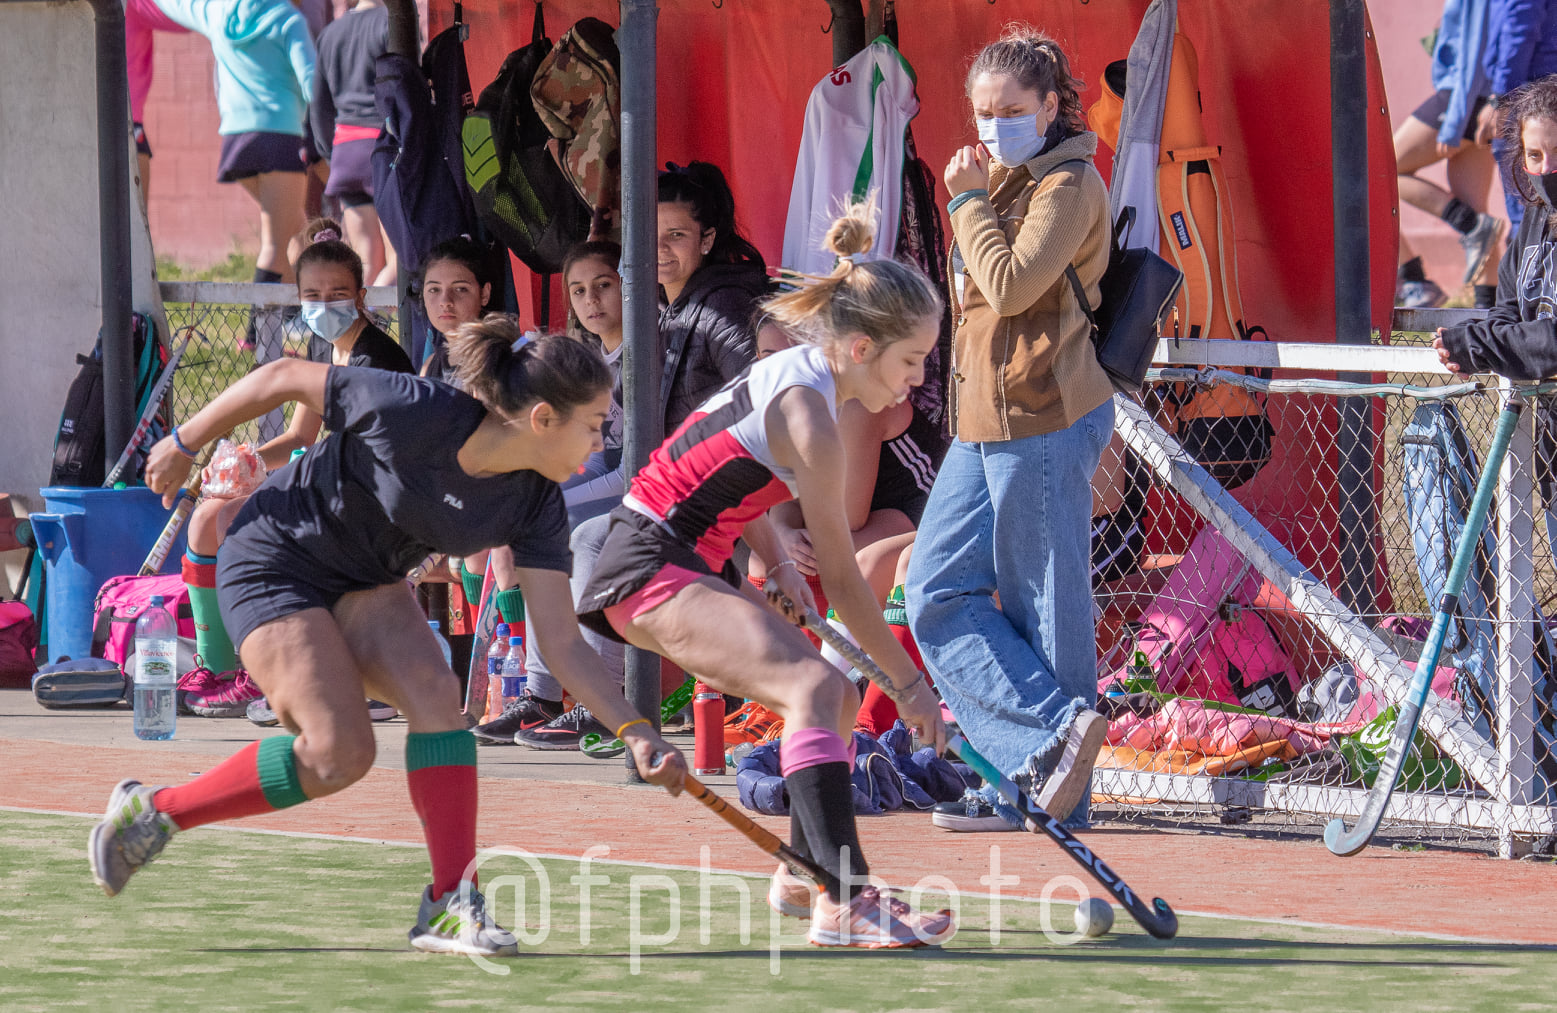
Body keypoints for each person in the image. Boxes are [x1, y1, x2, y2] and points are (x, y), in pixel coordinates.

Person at [89, 321, 687, 958]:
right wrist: (183, 440)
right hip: (274, 559)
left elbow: (562, 643)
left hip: (367, 580)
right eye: (593, 423)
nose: (600, 439)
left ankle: (451, 904)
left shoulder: (535, 504)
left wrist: (635, 730)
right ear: (542, 418)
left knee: (437, 697)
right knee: (336, 752)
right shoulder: (418, 409)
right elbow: (282, 376)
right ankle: (156, 812)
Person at [574, 205, 954, 948]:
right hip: (648, 564)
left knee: (834, 695)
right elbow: (844, 581)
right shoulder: (813, 419)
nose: (916, 380)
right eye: (910, 360)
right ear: (860, 347)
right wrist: (911, 687)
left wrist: (776, 559)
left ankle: (810, 870)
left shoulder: (796, 378)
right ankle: (845, 899)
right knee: (814, 688)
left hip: (669, 555)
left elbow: (724, 457)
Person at [905, 28, 1114, 834]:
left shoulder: (1068, 183)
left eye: (1011, 110)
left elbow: (1011, 285)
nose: (993, 127)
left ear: (1051, 105)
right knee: (933, 589)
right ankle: (1043, 744)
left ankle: (1050, 791)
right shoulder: (997, 178)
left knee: (1043, 605)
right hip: (980, 419)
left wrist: (964, 202)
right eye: (982, 113)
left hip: (1044, 413)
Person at [509, 163, 766, 751]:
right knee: (560, 529)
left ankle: (605, 702)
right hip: (689, 491)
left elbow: (763, 401)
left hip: (727, 497)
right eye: (652, 237)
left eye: (677, 235)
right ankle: (555, 694)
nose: (662, 250)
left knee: (591, 537)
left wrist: (767, 512)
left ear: (707, 239)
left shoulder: (722, 305)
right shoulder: (672, 307)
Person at [181, 220, 412, 720]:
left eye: (338, 294)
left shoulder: (376, 360)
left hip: (376, 501)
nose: (324, 305)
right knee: (208, 517)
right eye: (313, 295)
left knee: (240, 522)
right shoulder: (322, 347)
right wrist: (242, 461)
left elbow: (371, 462)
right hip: (337, 486)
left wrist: (290, 481)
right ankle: (217, 667)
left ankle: (263, 668)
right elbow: (300, 438)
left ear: (361, 296)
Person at [470, 241, 626, 747]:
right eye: (578, 291)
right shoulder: (592, 359)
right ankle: (541, 694)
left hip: (650, 495)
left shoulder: (647, 354)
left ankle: (600, 700)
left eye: (603, 285)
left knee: (576, 533)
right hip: (616, 490)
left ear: (628, 284)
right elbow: (599, 458)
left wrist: (556, 504)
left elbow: (633, 471)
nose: (591, 300)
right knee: (536, 525)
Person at [153, 0, 316, 292]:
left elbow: (178, 5)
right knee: (275, 244)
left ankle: (299, 310)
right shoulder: (289, 19)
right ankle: (259, 322)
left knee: (297, 229)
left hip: (236, 141)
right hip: (281, 137)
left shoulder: (218, 11)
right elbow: (313, 84)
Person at [1436, 73, 1557, 379]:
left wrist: (1481, 345)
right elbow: (1508, 311)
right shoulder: (1534, 217)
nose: (1546, 169)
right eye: (1535, 155)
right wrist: (1465, 345)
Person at [1395, 0, 1505, 309]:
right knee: (1478, 214)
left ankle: (1415, 281)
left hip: (1465, 97)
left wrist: (1456, 119)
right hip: (1478, 98)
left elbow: (1474, 46)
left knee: (1379, 171)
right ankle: (1490, 313)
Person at [310, 0, 397, 285]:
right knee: (399, 262)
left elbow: (319, 106)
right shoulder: (392, 22)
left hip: (345, 154)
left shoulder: (330, 33)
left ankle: (360, 312)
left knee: (367, 261)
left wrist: (331, 154)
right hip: (385, 150)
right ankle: (374, 312)